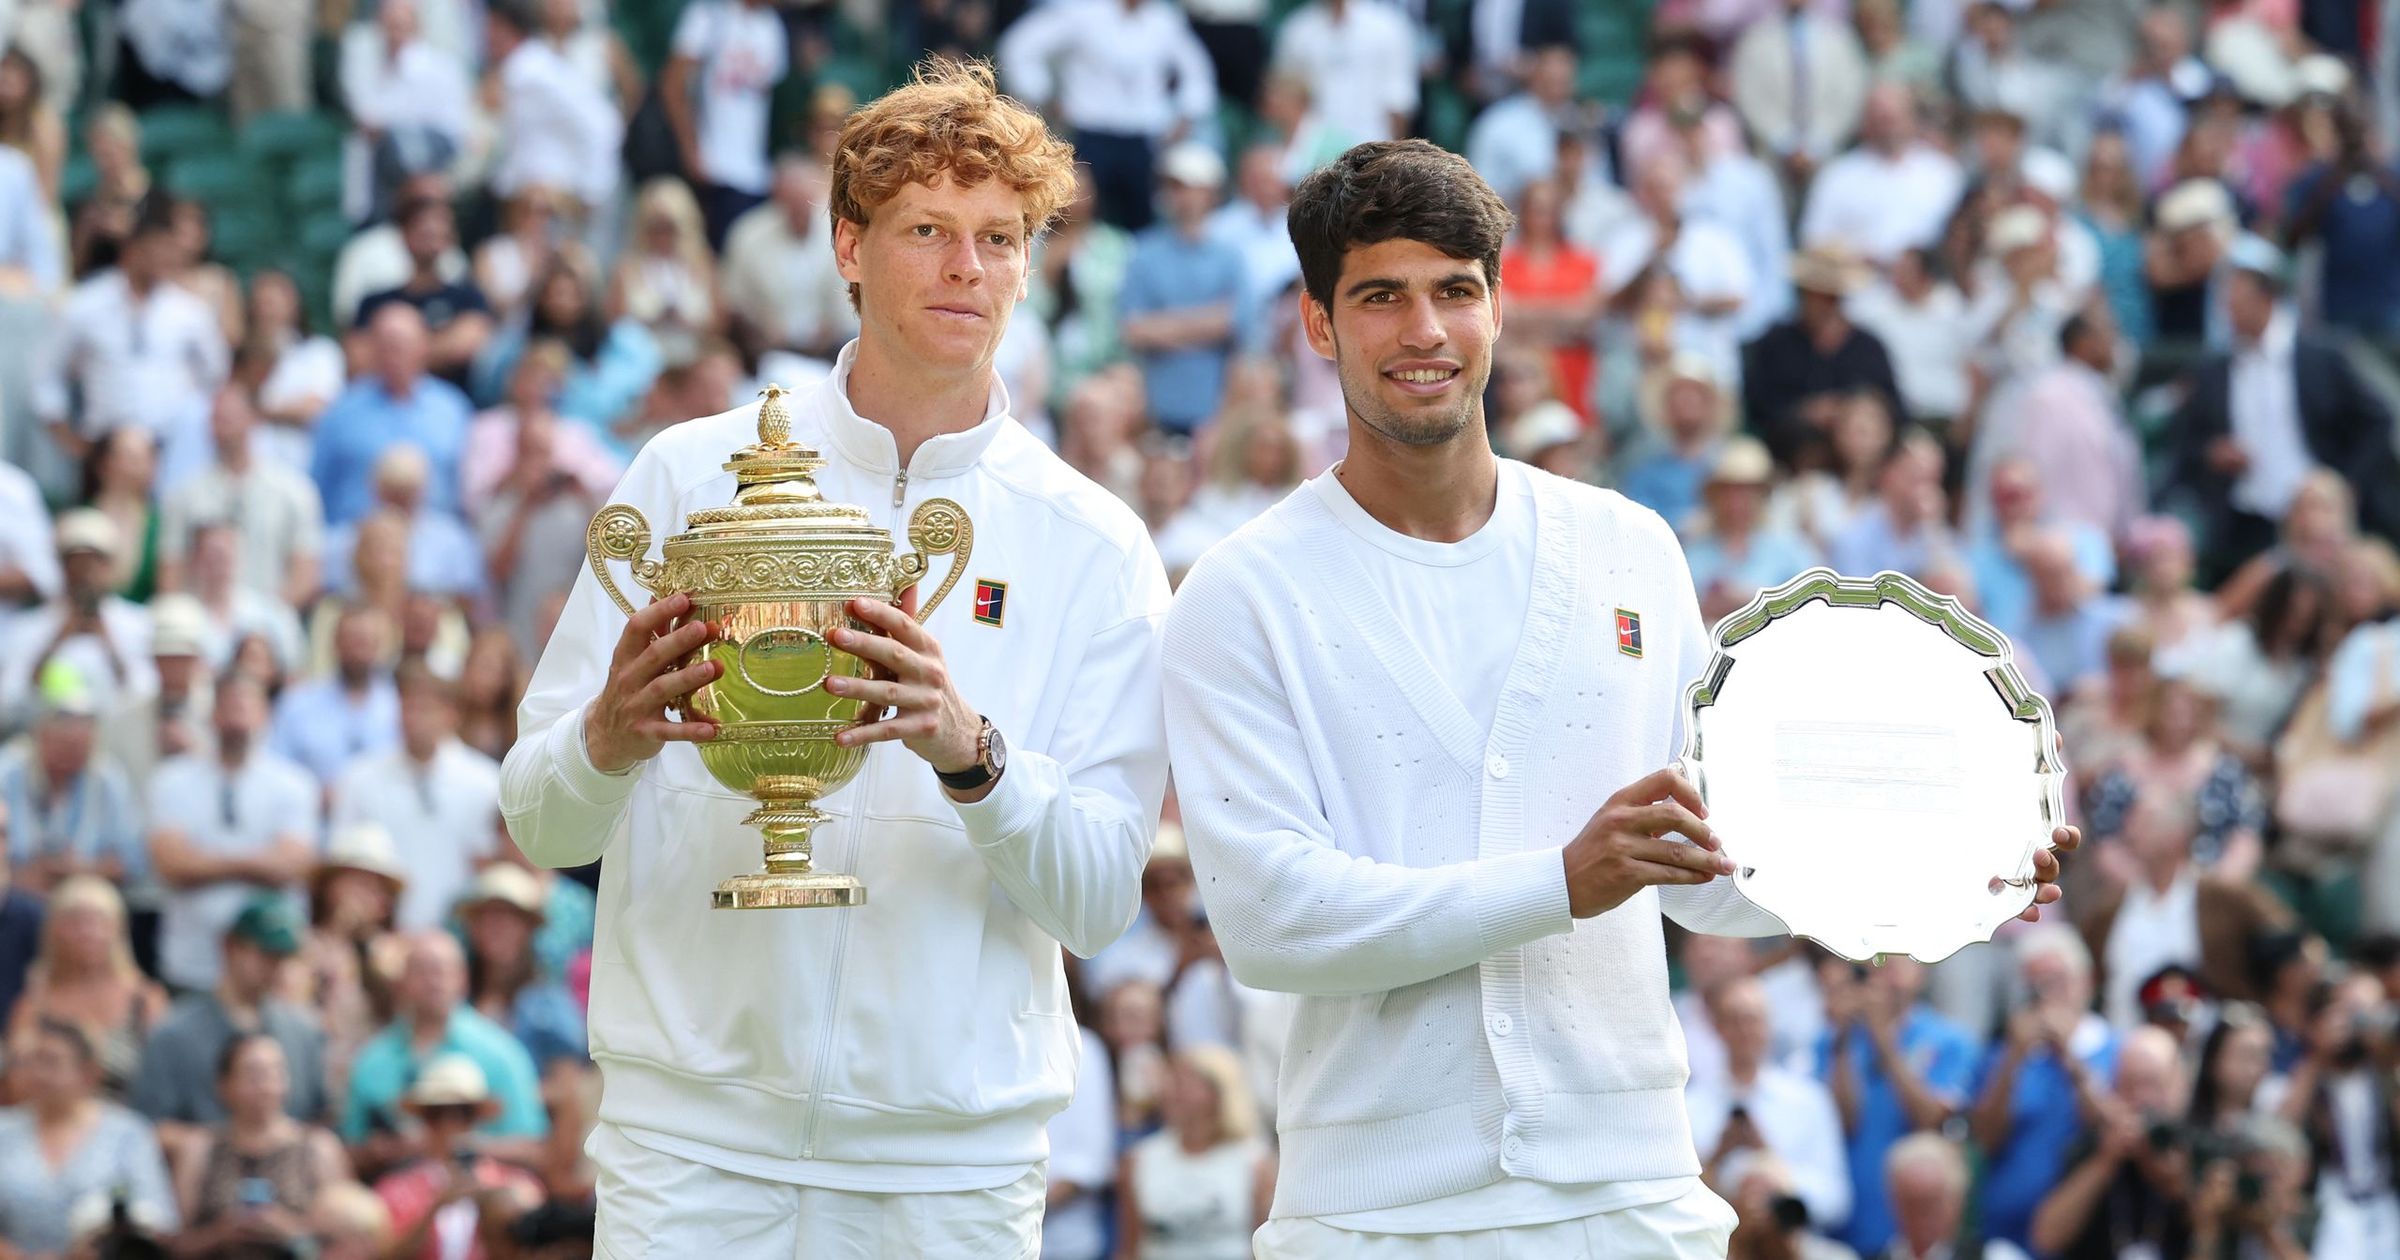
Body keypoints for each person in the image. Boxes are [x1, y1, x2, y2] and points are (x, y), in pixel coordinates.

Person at [1162, 139, 2073, 1258]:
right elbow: (1271, 923)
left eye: (1456, 290)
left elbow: (1709, 872)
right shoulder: (1238, 591)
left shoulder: (1629, 548)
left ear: (1499, 308)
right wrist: (1563, 881)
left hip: (1637, 1196)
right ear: (1317, 325)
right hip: (1374, 1217)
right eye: (1380, 297)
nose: (1425, 332)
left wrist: (1923, 864)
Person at [501, 60, 1169, 1257]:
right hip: (688, 1154)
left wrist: (972, 758)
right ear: (849, 245)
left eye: (1000, 238)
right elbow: (542, 827)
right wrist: (605, 738)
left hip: (951, 1175)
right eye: (928, 229)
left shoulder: (1099, 543)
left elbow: (1099, 899)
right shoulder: (687, 476)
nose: (969, 268)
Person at [147, 671, 317, 994]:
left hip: (273, 969)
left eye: (247, 705)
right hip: (190, 964)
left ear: (266, 714)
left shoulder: (294, 784)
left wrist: (205, 861)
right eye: (228, 705)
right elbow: (172, 865)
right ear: (212, 713)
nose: (237, 715)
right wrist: (256, 863)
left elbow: (292, 866)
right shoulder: (171, 780)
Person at [132, 894, 331, 1143]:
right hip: (204, 1176)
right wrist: (227, 1146)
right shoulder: (174, 1033)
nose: (275, 966)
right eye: (265, 954)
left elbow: (319, 1117)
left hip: (289, 1173)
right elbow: (149, 1126)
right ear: (229, 946)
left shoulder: (303, 1032)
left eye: (282, 956)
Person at [329, 662, 500, 931]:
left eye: (426, 709)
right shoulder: (359, 777)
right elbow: (344, 861)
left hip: (458, 936)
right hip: (380, 932)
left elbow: (485, 863)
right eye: (408, 706)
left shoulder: (487, 782)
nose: (414, 718)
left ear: (451, 714)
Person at [341, 932, 546, 1152]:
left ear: (463, 978)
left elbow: (533, 1145)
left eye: (441, 970)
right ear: (401, 983)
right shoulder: (372, 1061)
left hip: (484, 1182)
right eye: (421, 971)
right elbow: (352, 1144)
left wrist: (467, 1148)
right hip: (391, 1181)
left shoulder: (501, 1054)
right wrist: (386, 1151)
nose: (433, 981)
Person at [0, 1018, 180, 1256]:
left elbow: (160, 1219)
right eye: (33, 1061)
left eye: (51, 1062)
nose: (40, 1073)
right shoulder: (4, 1130)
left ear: (89, 1072)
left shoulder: (128, 1133)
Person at [169, 1033, 350, 1256]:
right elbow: (174, 1245)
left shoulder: (319, 1147)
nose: (266, 1085)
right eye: (253, 1075)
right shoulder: (200, 1148)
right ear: (224, 1085)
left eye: (275, 1073)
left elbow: (344, 1244)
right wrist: (220, 1233)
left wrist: (290, 1231)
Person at [4, 875, 167, 1101]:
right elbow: (15, 1084)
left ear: (118, 930)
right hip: (48, 1121)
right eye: (75, 922)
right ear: (53, 931)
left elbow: (164, 1081)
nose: (88, 932)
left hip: (128, 1122)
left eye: (99, 921)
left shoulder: (144, 999)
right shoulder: (33, 1004)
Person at [370, 1053, 546, 1260]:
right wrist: (436, 1207)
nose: (450, 1124)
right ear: (424, 1120)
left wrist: (491, 1202)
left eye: (463, 1112)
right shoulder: (396, 1190)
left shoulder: (512, 1184)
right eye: (436, 1113)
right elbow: (386, 1255)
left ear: (476, 1118)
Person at [1115, 1045, 1272, 1259]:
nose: (1172, 1091)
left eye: (1185, 1082)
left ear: (1219, 1092)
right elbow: (1129, 1248)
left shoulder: (1254, 1160)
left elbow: (1266, 1245)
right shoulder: (1139, 1159)